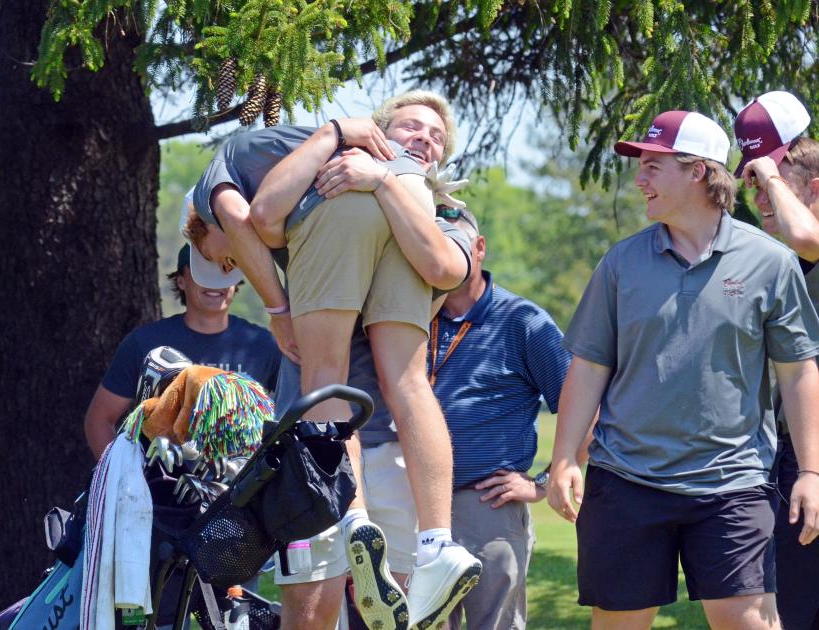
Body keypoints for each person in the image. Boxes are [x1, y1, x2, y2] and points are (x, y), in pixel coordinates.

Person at [188, 91, 480, 629]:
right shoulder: (427, 200)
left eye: (434, 135)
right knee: (410, 380)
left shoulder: (435, 205)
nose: (424, 139)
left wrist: (278, 307)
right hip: (373, 442)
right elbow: (446, 273)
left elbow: (257, 218)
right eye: (413, 127)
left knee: (328, 377)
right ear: (384, 130)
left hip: (341, 449)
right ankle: (438, 542)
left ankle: (356, 520)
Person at [547, 110, 819, 630]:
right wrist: (563, 459)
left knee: (753, 623)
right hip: (626, 481)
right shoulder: (620, 263)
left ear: (697, 172)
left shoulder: (771, 263)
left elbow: (798, 373)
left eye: (653, 166)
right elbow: (587, 367)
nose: (640, 179)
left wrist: (810, 471)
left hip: (734, 484)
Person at [425, 207, 572, 630]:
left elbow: (584, 412)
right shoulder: (409, 316)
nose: (443, 254)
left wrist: (542, 483)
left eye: (454, 242)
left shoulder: (525, 322)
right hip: (413, 500)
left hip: (486, 506)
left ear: (479, 248)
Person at [735, 90, 819, 630]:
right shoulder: (786, 264)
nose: (761, 197)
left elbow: (806, 233)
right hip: (796, 458)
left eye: (772, 183)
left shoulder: (805, 240)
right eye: (752, 183)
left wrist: (765, 172)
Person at [83, 243, 280, 459]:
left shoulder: (263, 345)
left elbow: (288, 417)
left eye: (225, 271)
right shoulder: (144, 342)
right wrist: (126, 477)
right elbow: (99, 420)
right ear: (181, 281)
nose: (214, 283)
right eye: (203, 273)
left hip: (242, 486)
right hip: (163, 485)